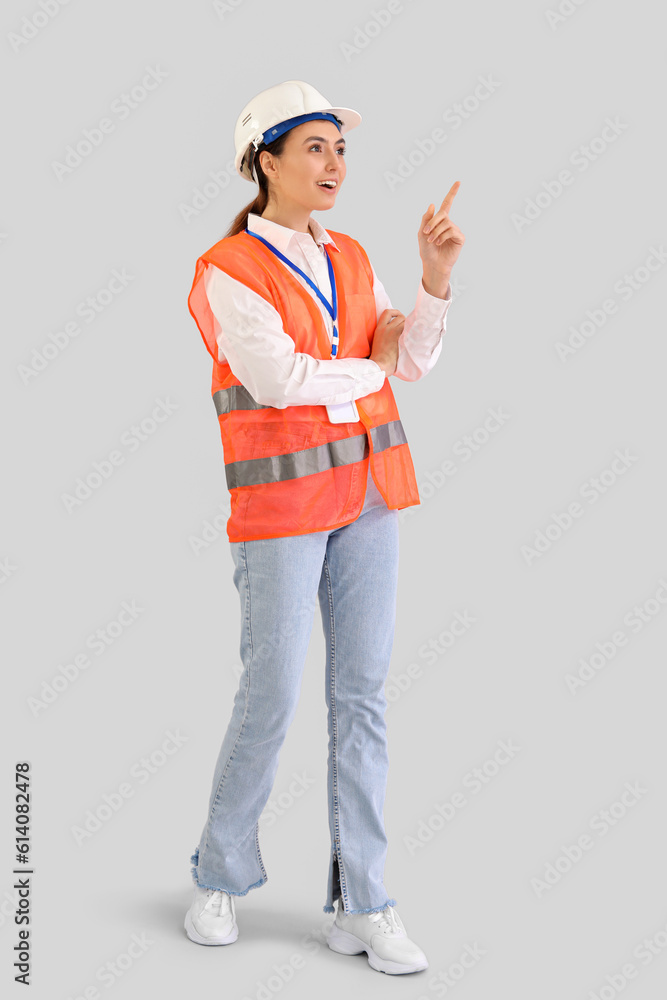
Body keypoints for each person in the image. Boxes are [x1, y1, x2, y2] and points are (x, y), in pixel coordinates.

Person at [184, 80, 465, 976]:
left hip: (368, 499)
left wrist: (433, 281)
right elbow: (276, 381)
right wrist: (362, 367)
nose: (334, 163)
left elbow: (407, 361)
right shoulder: (228, 270)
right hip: (277, 512)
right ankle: (219, 875)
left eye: (339, 148)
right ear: (264, 163)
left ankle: (363, 902)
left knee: (363, 700)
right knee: (270, 695)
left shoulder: (352, 256)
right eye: (313, 147)